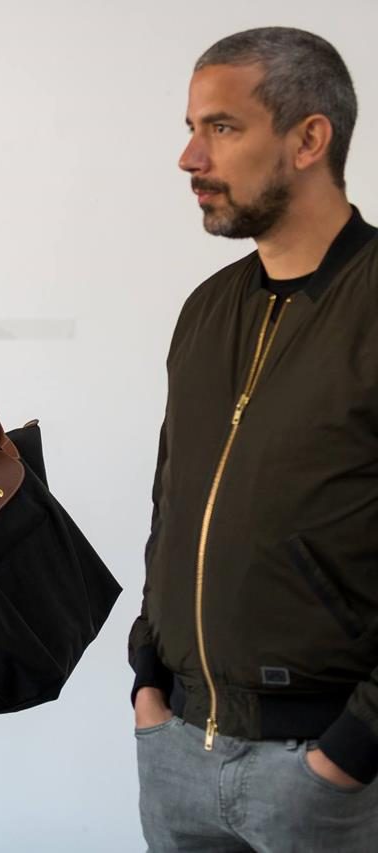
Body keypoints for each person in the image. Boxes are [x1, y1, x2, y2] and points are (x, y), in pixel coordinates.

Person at [130, 27, 378, 852]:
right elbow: (171, 507)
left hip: (328, 769)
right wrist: (148, 682)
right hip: (178, 749)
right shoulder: (207, 310)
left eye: (222, 127)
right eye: (191, 128)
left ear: (309, 140)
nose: (190, 158)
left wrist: (353, 748)